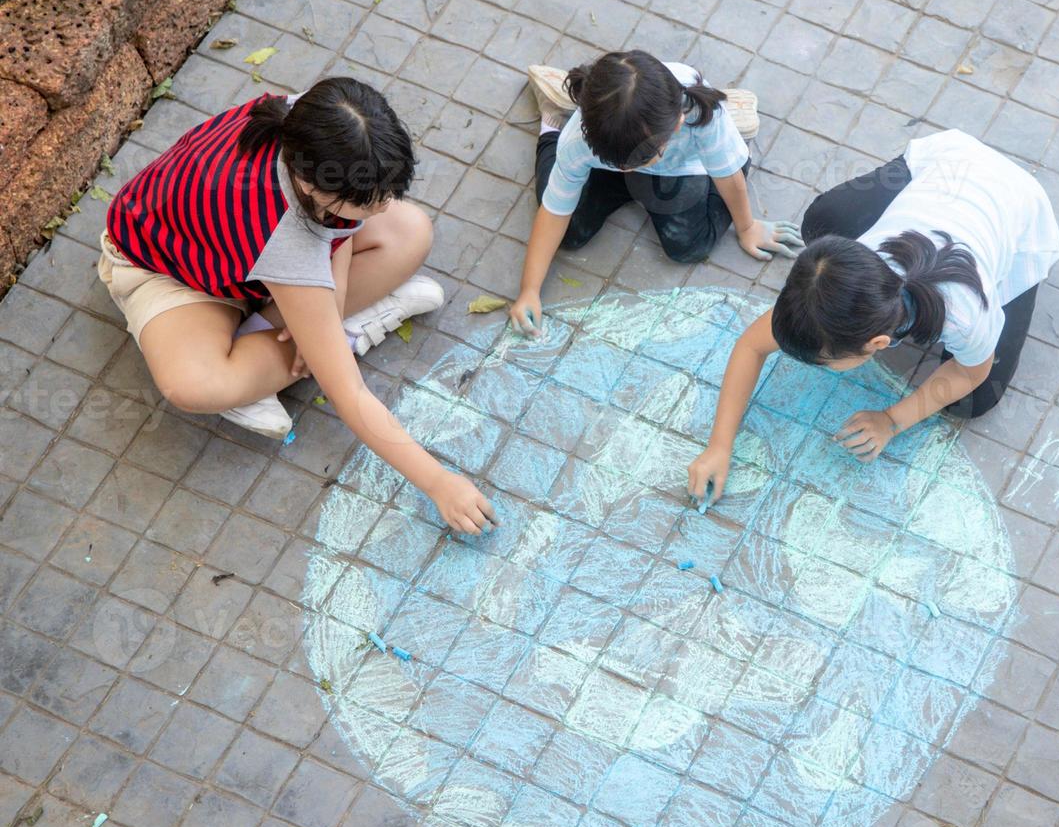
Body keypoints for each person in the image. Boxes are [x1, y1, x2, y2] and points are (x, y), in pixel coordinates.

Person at [102, 77, 496, 533]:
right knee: (195, 386)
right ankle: (302, 352)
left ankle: (315, 333)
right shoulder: (285, 233)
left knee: (410, 231)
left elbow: (337, 233)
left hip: (250, 251)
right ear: (311, 186)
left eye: (388, 191)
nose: (385, 205)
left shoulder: (316, 119)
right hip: (173, 270)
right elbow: (350, 395)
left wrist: (332, 302)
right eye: (368, 200)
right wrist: (440, 484)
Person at [688, 129, 1059, 502]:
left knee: (973, 401)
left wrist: (891, 421)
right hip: (952, 165)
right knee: (821, 222)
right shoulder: (847, 271)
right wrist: (719, 446)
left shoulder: (965, 315)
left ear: (878, 343)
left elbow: (970, 372)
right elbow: (752, 346)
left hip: (1020, 212)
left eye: (823, 361)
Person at [508, 50, 802, 335]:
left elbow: (728, 177)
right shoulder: (581, 140)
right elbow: (554, 210)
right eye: (620, 164)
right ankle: (552, 123)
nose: (627, 168)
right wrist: (528, 290)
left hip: (681, 166)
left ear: (677, 125)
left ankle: (734, 125)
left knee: (689, 246)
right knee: (569, 233)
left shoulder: (698, 113)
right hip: (613, 153)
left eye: (636, 161)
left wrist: (747, 227)